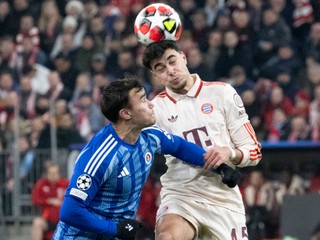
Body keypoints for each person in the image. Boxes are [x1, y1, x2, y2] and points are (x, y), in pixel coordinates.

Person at [52, 77, 234, 240]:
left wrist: (218, 166)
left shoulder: (149, 135)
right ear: (126, 114)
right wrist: (115, 228)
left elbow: (179, 147)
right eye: (142, 100)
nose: (151, 104)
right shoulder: (101, 156)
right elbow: (70, 211)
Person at [142, 40, 262, 240]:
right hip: (181, 194)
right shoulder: (155, 110)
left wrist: (230, 152)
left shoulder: (222, 93)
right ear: (155, 76)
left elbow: (254, 151)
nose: (170, 71)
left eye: (172, 61)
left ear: (184, 57)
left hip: (223, 197)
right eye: (160, 68)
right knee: (167, 237)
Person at [31, 162, 69, 240]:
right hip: (48, 220)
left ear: (59, 174)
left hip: (64, 220)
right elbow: (35, 199)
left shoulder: (66, 184)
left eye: (55, 173)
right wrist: (48, 201)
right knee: (37, 223)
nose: (52, 176)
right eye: (50, 173)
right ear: (47, 174)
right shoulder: (41, 184)